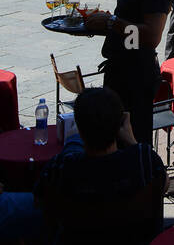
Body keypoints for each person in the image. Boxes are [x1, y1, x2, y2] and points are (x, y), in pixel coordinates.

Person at [80, 0, 173, 144]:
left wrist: (111, 22)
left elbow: (151, 36)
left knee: (133, 141)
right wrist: (102, 23)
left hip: (136, 76)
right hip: (120, 69)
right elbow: (130, 23)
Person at [35, 87, 165, 210]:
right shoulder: (144, 160)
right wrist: (131, 140)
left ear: (79, 128)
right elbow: (164, 184)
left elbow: (39, 199)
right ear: (121, 125)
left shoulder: (60, 166)